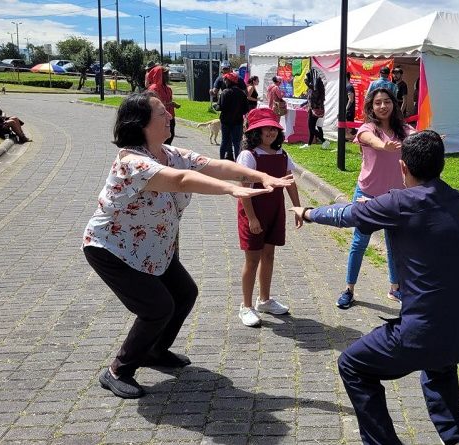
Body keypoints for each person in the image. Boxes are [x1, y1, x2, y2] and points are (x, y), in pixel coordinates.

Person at [82, 91, 293, 399]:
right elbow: (180, 180)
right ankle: (118, 370)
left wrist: (260, 175)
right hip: (111, 249)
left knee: (184, 294)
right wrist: (232, 191)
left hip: (153, 249)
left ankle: (154, 351)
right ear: (140, 123)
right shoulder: (132, 162)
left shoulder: (169, 152)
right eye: (161, 113)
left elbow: (215, 165)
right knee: (157, 307)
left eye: (167, 111)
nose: (170, 115)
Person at [290, 130, 459, 445]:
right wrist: (381, 206)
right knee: (439, 367)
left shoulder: (398, 203)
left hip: (423, 333)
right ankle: (457, 438)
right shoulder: (458, 199)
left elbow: (346, 215)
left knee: (352, 365)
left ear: (404, 167)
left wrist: (308, 212)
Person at [336, 87, 414, 309]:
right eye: (378, 103)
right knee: (359, 243)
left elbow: (418, 137)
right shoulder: (366, 129)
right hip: (367, 194)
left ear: (394, 104)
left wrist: (432, 137)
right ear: (371, 106)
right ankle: (349, 289)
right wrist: (384, 146)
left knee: (394, 244)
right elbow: (370, 140)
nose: (383, 106)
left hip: (395, 197)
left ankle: (395, 288)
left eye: (387, 102)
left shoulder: (404, 130)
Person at [234, 108, 302, 327]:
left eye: (274, 128)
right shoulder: (249, 155)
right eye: (265, 128)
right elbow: (244, 188)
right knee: (252, 259)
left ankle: (264, 299)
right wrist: (252, 218)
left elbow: (289, 181)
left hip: (274, 210)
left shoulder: (282, 154)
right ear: (255, 132)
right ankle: (245, 306)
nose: (271, 132)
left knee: (269, 255)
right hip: (253, 211)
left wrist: (298, 207)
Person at [218, 72, 249, 161]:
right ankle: (238, 161)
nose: (224, 81)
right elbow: (246, 109)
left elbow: (221, 107)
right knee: (237, 143)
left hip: (226, 121)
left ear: (229, 81)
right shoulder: (242, 93)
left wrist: (216, 106)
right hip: (238, 122)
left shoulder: (225, 92)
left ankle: (221, 160)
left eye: (225, 80)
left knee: (224, 141)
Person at [146, 65, 180, 145]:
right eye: (166, 74)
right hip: (159, 118)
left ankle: (165, 155)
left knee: (170, 136)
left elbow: (168, 100)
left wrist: (172, 104)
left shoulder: (168, 88)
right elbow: (153, 104)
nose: (168, 76)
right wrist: (169, 104)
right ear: (160, 75)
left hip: (170, 117)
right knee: (161, 139)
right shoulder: (153, 89)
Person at [305, 69, 325, 145]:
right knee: (312, 127)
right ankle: (309, 144)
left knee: (311, 127)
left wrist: (308, 84)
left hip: (315, 109)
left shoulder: (315, 86)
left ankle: (324, 141)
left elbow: (313, 97)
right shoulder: (315, 85)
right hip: (314, 108)